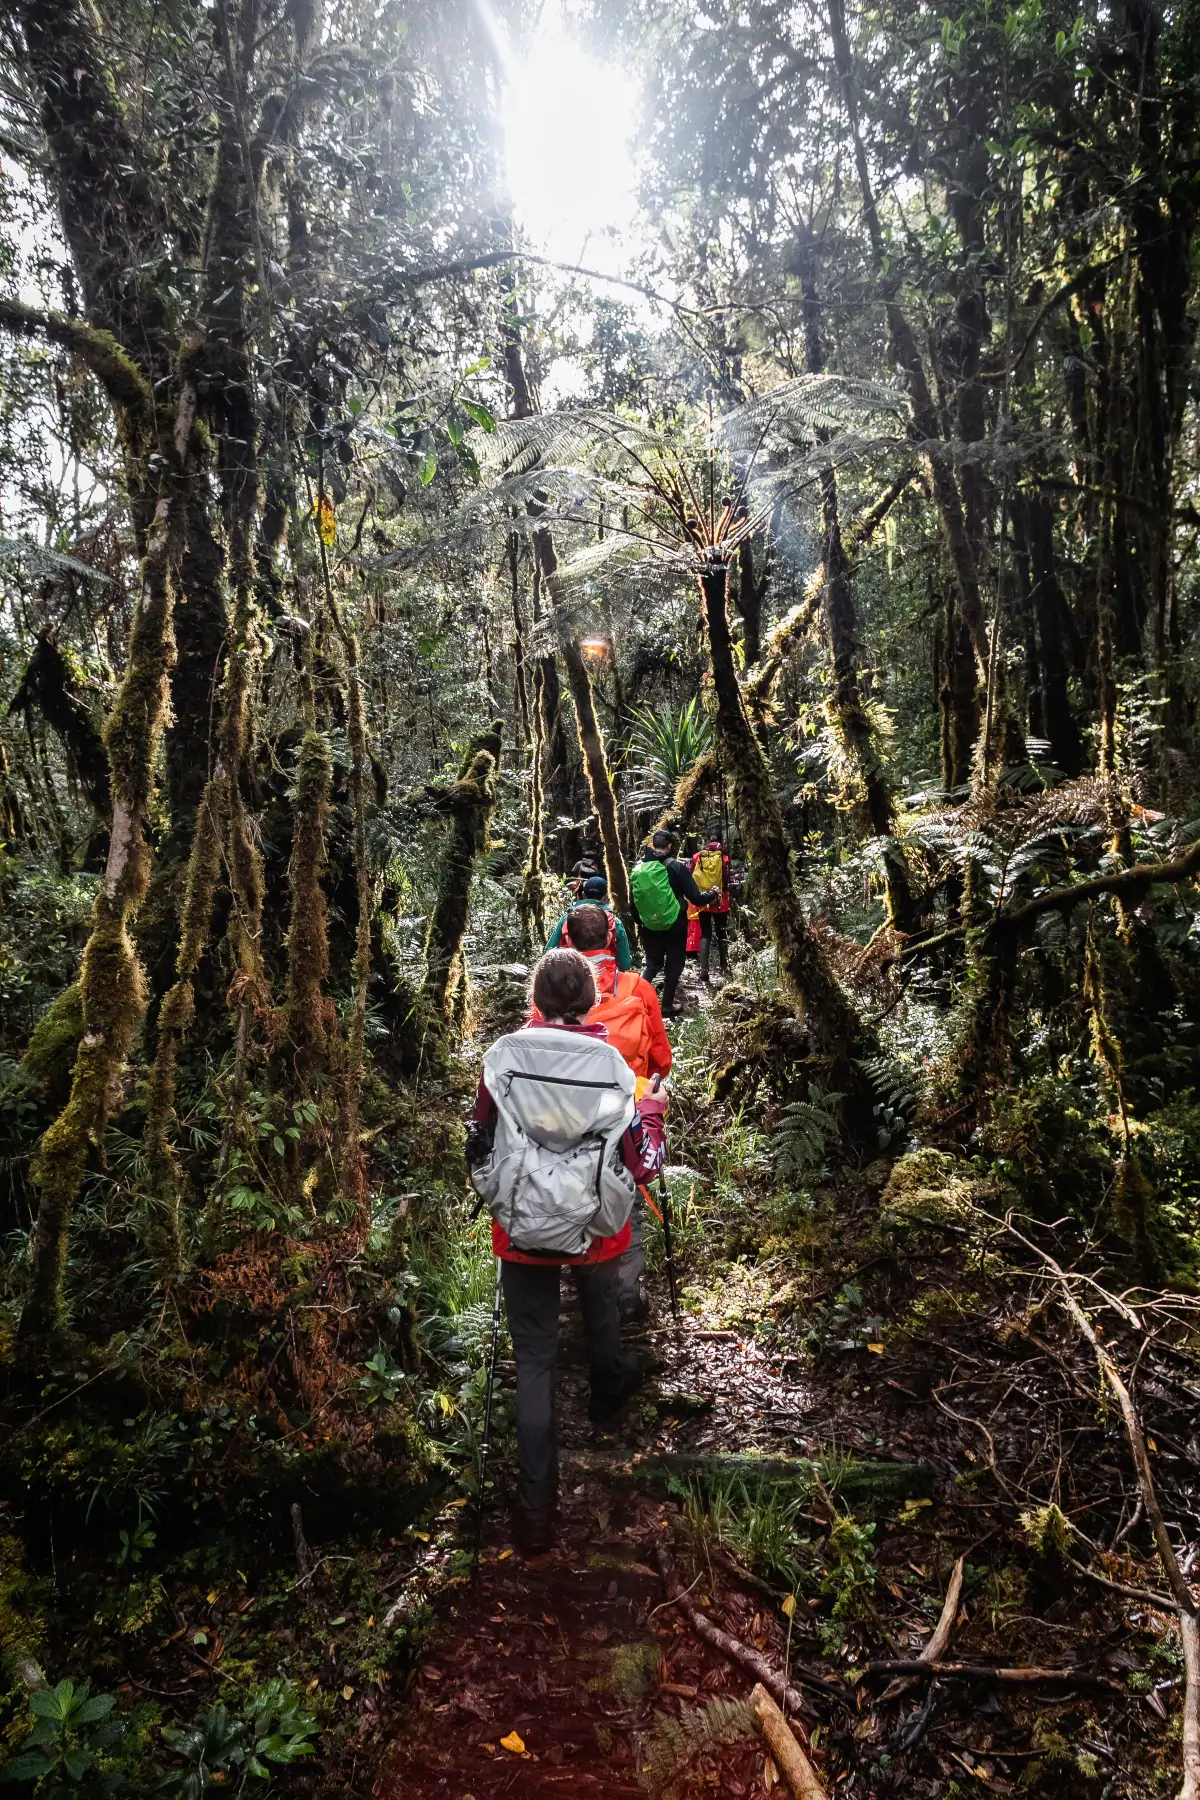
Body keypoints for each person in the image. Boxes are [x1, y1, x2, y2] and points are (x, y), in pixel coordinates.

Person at [465, 948, 667, 1555]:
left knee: (534, 1357)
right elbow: (642, 1163)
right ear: (587, 998)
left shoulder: (504, 1057)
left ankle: (534, 1510)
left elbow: (479, 1139)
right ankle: (607, 1398)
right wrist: (653, 1111)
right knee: (601, 1306)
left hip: (522, 1229)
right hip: (597, 1224)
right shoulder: (610, 1064)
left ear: (536, 998)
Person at [553, 904, 672, 1325]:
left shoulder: (553, 990)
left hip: (567, 1115)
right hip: (628, 1110)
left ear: (566, 938)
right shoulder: (639, 988)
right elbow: (661, 1059)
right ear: (610, 937)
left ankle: (580, 1278)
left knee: (573, 1190)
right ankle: (624, 1295)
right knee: (628, 1197)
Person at [630, 828, 718, 1016]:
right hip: (676, 924)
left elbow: (635, 903)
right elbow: (696, 899)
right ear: (669, 847)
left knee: (652, 964)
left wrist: (643, 923)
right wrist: (713, 893)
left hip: (650, 927)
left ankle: (636, 1003)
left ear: (653, 845)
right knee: (674, 963)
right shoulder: (677, 867)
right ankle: (667, 1005)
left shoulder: (639, 870)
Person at [545, 874, 634, 970]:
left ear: (583, 895)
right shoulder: (614, 922)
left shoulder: (567, 918)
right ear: (605, 897)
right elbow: (625, 963)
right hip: (605, 977)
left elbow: (549, 952)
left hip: (570, 975)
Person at [691, 836, 731, 985]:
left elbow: (690, 876)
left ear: (707, 845)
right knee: (721, 932)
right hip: (721, 901)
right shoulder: (724, 857)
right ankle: (724, 968)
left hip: (703, 900)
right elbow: (727, 880)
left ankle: (704, 972)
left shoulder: (697, 857)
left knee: (705, 933)